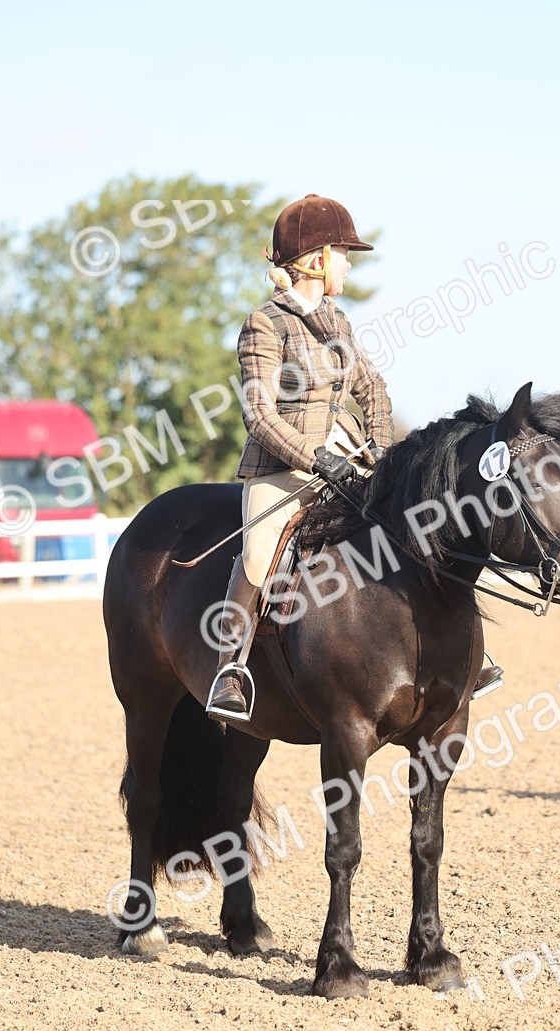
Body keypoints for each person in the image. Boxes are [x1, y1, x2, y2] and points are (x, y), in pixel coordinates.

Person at [206, 194, 502, 722]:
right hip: (281, 467)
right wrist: (314, 457)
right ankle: (232, 667)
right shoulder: (265, 325)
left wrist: (385, 458)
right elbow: (259, 415)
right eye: (343, 253)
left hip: (346, 458)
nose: (348, 263)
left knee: (416, 524)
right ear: (316, 259)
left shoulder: (337, 322)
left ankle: (454, 652)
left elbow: (375, 390)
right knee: (259, 552)